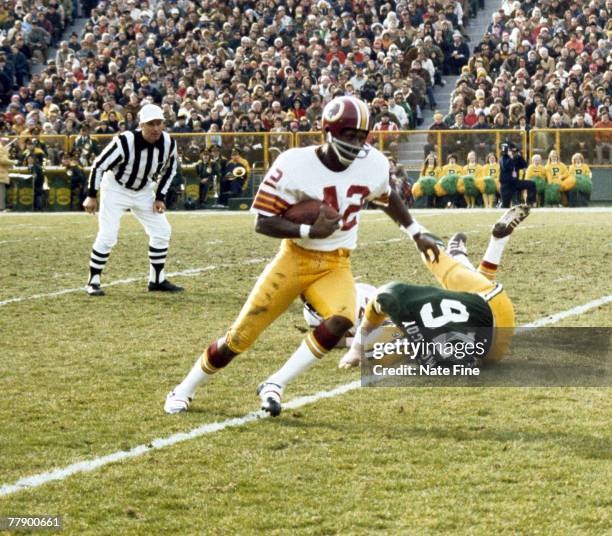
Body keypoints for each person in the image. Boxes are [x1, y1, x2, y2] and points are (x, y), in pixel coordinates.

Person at [164, 96, 440, 416]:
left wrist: (416, 232)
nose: (357, 143)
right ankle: (184, 388)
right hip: (295, 257)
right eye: (349, 135)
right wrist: (309, 232)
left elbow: (386, 196)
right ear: (328, 131)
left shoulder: (374, 163)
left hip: (336, 261)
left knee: (342, 320)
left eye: (362, 136)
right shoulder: (293, 163)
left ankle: (276, 383)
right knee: (240, 337)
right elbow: (262, 221)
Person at [339, 205, 531, 369]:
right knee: (437, 259)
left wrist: (355, 348)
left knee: (463, 293)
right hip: (494, 304)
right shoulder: (394, 301)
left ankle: (463, 252)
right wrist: (356, 348)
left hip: (493, 353)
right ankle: (458, 253)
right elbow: (382, 298)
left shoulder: (424, 358)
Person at [82, 104, 183, 296]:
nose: (155, 128)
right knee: (108, 235)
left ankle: (156, 280)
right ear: (141, 125)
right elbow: (99, 166)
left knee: (162, 231)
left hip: (144, 190)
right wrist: (91, 195)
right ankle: (93, 281)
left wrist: (160, 197)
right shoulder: (124, 141)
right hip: (115, 189)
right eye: (150, 124)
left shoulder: (169, 143)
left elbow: (171, 169)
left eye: (159, 123)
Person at [499, 142, 535, 208]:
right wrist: (510, 157)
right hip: (506, 185)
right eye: (509, 150)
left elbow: (524, 164)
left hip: (515, 183)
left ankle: (529, 203)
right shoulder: (503, 158)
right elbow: (505, 166)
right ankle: (501, 204)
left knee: (531, 184)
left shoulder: (516, 158)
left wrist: (519, 155)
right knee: (505, 206)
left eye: (512, 150)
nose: (511, 152)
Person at [0, 138, 16, 211]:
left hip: (2, 173)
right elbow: (2, 160)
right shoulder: (1, 148)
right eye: (5, 141)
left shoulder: (3, 148)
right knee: (1, 192)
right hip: (1, 174)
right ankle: (1, 207)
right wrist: (13, 162)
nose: (6, 142)